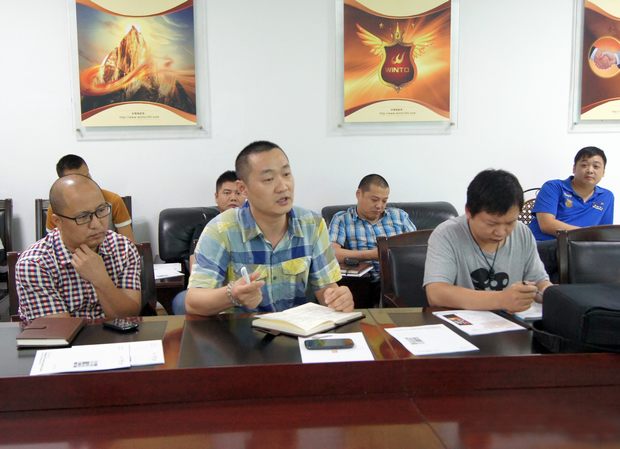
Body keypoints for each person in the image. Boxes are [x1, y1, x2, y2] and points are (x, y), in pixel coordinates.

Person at [184, 140, 354, 316]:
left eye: (286, 174)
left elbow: (326, 287)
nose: (283, 186)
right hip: (239, 330)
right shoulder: (220, 229)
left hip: (296, 328)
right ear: (243, 188)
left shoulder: (312, 224)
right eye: (268, 179)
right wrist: (232, 295)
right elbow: (193, 302)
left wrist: (338, 298)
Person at [423, 169, 552, 312]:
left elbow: (539, 282)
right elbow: (436, 293)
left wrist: (549, 293)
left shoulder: (522, 232)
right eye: (492, 224)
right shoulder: (447, 234)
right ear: (468, 211)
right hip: (465, 321)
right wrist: (501, 299)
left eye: (510, 223)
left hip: (512, 322)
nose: (501, 232)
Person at [16, 175, 141, 322]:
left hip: (117, 336)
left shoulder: (122, 248)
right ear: (58, 222)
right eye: (83, 217)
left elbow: (129, 316)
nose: (96, 224)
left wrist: (101, 280)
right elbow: (58, 331)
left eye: (101, 210)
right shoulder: (34, 263)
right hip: (66, 337)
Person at [328, 174, 415, 305]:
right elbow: (332, 254)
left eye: (384, 201)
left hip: (399, 280)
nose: (379, 206)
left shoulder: (399, 216)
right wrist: (373, 254)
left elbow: (418, 247)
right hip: (363, 284)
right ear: (359, 194)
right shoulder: (342, 219)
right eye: (374, 200)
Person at [171, 170, 244, 315]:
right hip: (212, 290)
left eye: (238, 193)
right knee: (181, 301)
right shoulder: (205, 228)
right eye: (227, 193)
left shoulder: (253, 226)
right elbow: (196, 267)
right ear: (216, 197)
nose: (233, 198)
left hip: (247, 289)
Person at [529, 147, 614, 241]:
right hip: (544, 244)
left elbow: (604, 234)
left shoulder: (606, 196)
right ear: (574, 168)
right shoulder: (553, 187)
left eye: (596, 166)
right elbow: (546, 225)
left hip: (580, 247)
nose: (590, 170)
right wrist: (587, 235)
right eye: (584, 165)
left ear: (603, 172)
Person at [46, 155, 134, 241]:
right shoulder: (58, 208)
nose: (85, 183)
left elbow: (129, 243)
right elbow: (51, 242)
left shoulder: (113, 200)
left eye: (87, 176)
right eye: (82, 216)